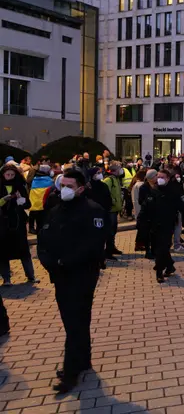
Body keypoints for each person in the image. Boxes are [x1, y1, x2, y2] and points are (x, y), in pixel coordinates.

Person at [37, 170, 107, 393]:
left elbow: (93, 245)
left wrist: (65, 262)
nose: (64, 189)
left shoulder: (93, 211)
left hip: (81, 275)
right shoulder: (56, 209)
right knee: (74, 321)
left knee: (75, 322)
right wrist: (49, 262)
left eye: (69, 185)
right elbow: (43, 239)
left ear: (81, 188)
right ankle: (83, 360)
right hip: (60, 276)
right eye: (62, 184)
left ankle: (70, 373)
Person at [137, 170, 181, 282]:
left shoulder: (172, 192)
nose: (159, 179)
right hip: (154, 225)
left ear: (167, 179)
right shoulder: (152, 191)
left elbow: (181, 207)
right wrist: (141, 221)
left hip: (167, 226)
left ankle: (159, 272)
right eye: (158, 176)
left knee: (161, 249)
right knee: (159, 248)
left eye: (162, 177)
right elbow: (145, 206)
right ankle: (170, 266)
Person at [0, 164, 38, 285]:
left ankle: (30, 276)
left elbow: (28, 204)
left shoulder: (20, 186)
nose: (10, 177)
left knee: (23, 250)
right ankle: (6, 279)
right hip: (3, 222)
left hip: (18, 222)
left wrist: (22, 201)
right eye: (7, 175)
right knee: (3, 252)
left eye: (12, 174)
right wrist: (3, 200)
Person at [102, 162, 124, 257]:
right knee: (110, 230)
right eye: (119, 169)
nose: (121, 171)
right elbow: (106, 194)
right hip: (111, 209)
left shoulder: (116, 179)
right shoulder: (109, 180)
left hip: (115, 209)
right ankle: (108, 250)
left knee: (113, 230)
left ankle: (112, 247)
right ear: (114, 171)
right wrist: (113, 201)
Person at [28, 157, 54, 234]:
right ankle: (37, 228)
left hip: (34, 198)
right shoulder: (49, 180)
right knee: (39, 214)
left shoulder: (35, 179)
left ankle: (31, 227)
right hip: (42, 200)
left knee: (33, 212)